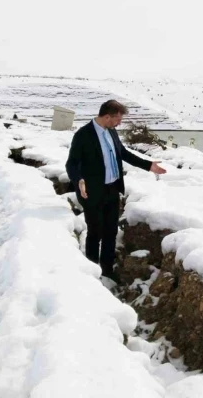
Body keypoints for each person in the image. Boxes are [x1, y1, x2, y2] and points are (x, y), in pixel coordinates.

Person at [65, 99, 166, 281]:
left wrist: (148, 165)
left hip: (112, 190)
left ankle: (107, 270)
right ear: (107, 116)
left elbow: (124, 153)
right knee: (95, 233)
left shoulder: (111, 132)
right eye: (117, 119)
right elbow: (71, 163)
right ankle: (91, 273)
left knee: (111, 232)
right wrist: (78, 179)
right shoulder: (83, 135)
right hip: (92, 192)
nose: (119, 123)